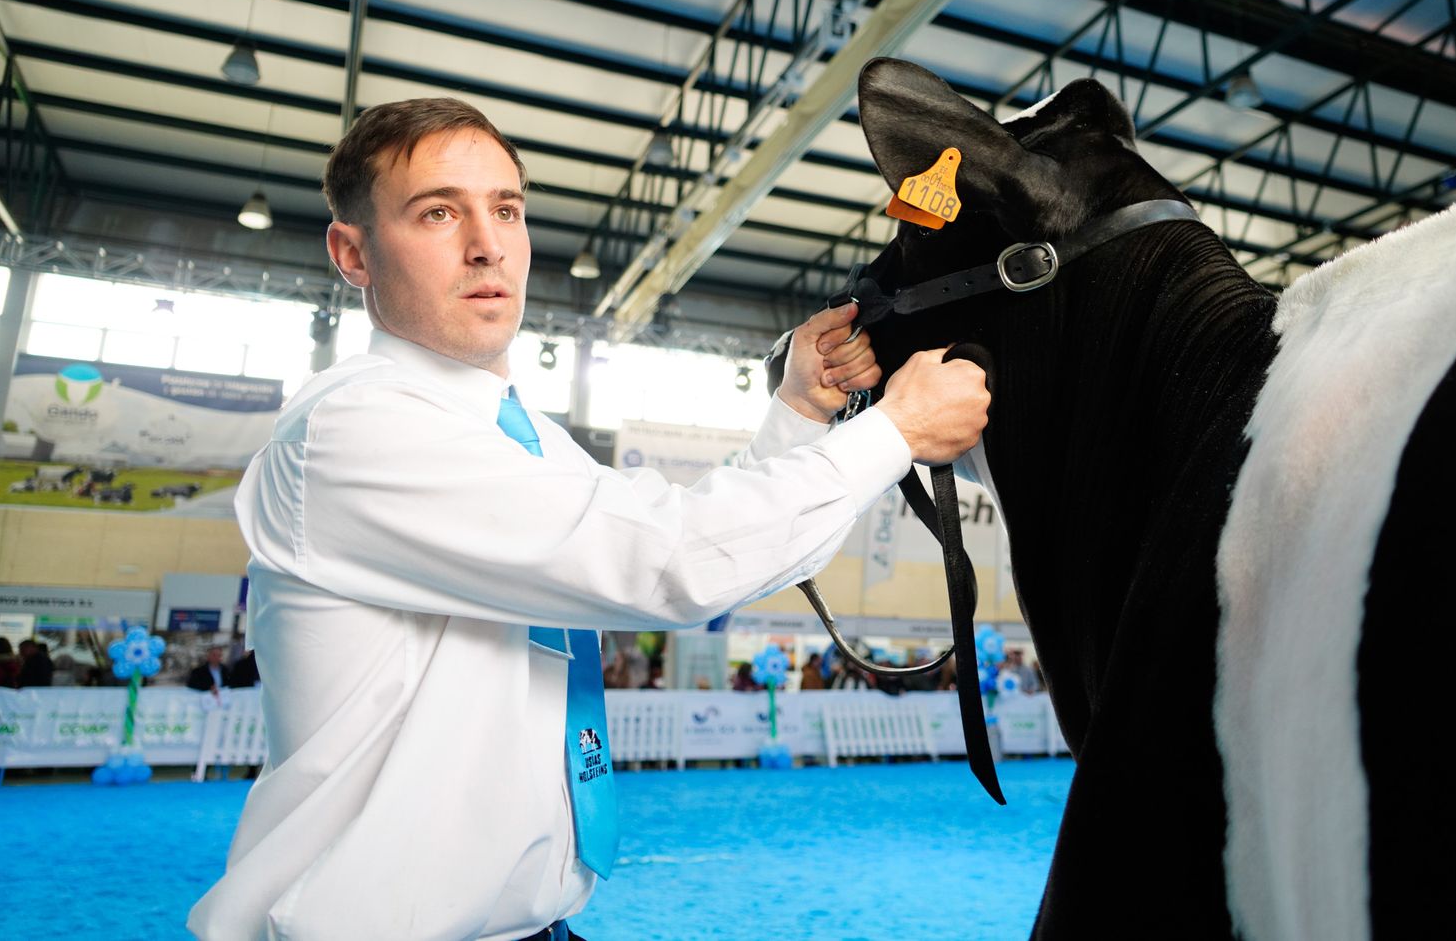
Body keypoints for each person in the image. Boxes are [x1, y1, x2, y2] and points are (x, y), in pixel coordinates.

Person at [188, 97, 990, 941]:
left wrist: (798, 411)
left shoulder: (528, 440)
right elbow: (672, 565)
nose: (488, 244)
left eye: (506, 209)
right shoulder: (356, 428)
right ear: (353, 253)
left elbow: (709, 552)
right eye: (438, 213)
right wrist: (894, 431)